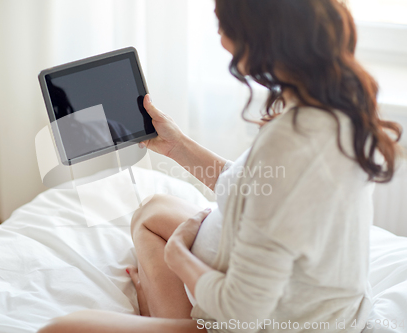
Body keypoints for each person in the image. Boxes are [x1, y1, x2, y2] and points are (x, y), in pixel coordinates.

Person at [39, 0, 402, 332]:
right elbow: (261, 188)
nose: (218, 34)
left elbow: (242, 311)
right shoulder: (339, 103)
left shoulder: (289, 145)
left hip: (282, 321)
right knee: (151, 210)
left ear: (260, 39)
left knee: (60, 328)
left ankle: (166, 315)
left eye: (222, 23)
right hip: (317, 298)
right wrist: (177, 146)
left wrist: (177, 256)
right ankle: (167, 313)